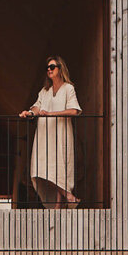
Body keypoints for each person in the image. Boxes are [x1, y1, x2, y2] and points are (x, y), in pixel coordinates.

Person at [19, 55, 82, 207]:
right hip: (44, 135)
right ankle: (68, 196)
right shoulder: (44, 91)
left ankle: (58, 205)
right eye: (47, 68)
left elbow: (74, 110)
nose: (49, 70)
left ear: (60, 69)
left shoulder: (68, 88)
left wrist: (52, 114)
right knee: (40, 169)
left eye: (52, 67)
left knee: (59, 168)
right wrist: (29, 113)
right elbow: (37, 107)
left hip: (61, 134)